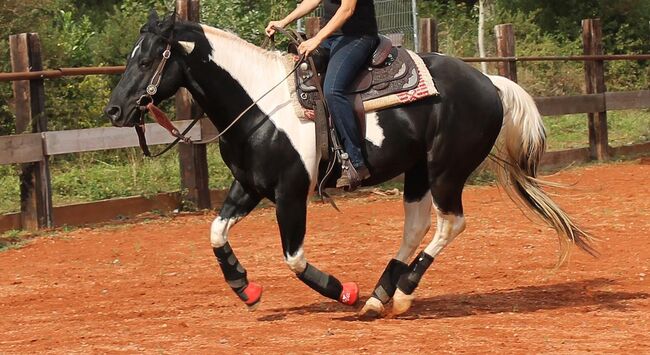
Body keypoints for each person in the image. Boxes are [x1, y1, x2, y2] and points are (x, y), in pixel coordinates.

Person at [266, 0, 378, 190]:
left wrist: (316, 39)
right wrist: (284, 21)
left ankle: (355, 162)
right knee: (297, 73)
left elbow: (347, 9)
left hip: (358, 37)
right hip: (332, 39)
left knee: (333, 90)